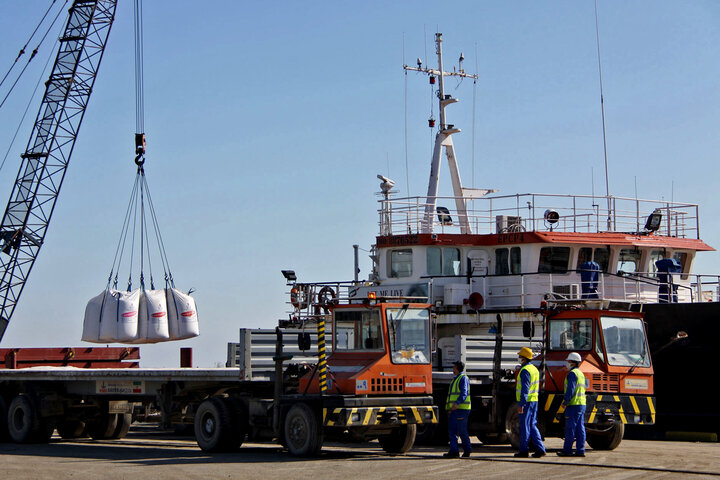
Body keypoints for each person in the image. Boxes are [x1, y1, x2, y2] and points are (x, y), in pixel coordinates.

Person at [514, 347, 546, 458]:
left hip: (526, 402)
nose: (519, 358)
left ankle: (523, 450)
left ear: (524, 358)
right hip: (534, 401)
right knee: (532, 425)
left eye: (520, 356)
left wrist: (521, 404)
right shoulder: (534, 369)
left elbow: (524, 389)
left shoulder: (525, 371)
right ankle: (540, 449)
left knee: (524, 426)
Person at [557, 352, 587, 457]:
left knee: (570, 428)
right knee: (580, 428)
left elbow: (570, 390)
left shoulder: (572, 374)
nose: (567, 363)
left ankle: (567, 451)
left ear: (573, 363)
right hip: (581, 404)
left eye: (568, 361)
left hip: (573, 405)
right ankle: (581, 450)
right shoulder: (581, 374)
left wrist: (565, 402)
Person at [443, 360, 472, 458]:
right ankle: (454, 451)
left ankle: (467, 450)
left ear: (457, 368)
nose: (453, 368)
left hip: (461, 409)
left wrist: (457, 403)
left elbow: (464, 393)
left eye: (454, 367)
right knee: (453, 431)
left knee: (462, 431)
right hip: (456, 410)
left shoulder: (463, 379)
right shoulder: (456, 379)